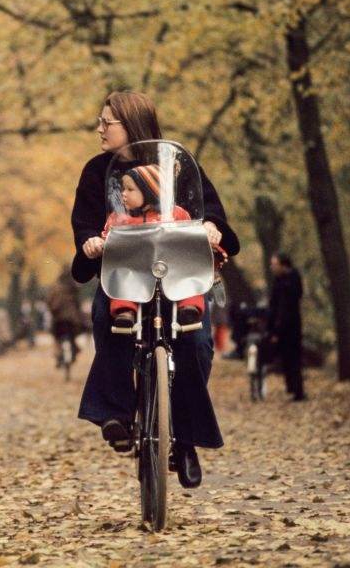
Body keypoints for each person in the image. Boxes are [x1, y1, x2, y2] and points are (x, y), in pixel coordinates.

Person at [71, 90, 240, 490]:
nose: (99, 128)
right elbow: (83, 223)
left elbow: (208, 206)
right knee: (105, 316)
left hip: (178, 272)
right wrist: (90, 241)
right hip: (126, 272)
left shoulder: (178, 165)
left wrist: (212, 226)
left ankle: (184, 440)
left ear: (129, 124)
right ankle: (117, 413)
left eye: (106, 121)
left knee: (196, 343)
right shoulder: (96, 171)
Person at [101, 164, 205, 334]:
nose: (123, 194)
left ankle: (189, 309)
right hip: (136, 271)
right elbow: (108, 237)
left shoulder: (176, 215)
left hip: (171, 269)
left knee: (188, 278)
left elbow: (190, 236)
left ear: (150, 190)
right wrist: (101, 243)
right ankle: (125, 311)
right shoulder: (119, 219)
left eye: (130, 189)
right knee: (122, 278)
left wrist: (208, 238)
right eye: (122, 189)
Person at [267, 253, 306, 401]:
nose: (272, 267)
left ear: (284, 265)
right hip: (283, 325)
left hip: (291, 327)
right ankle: (292, 388)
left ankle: (297, 390)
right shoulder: (280, 281)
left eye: (275, 264)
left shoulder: (291, 281)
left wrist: (276, 329)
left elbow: (285, 308)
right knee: (286, 359)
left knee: (293, 359)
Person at [46, 267, 85, 368]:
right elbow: (78, 303)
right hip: (72, 319)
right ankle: (75, 350)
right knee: (73, 335)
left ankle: (58, 356)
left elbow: (50, 301)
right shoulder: (73, 288)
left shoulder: (55, 288)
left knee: (56, 336)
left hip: (58, 319)